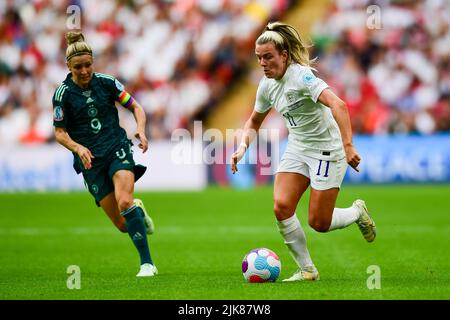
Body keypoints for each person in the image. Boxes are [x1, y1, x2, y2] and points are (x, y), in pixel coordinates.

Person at [231, 22, 376, 281]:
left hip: (326, 149)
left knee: (319, 222)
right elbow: (254, 121)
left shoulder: (302, 76)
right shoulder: (266, 86)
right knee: (281, 206)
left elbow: (339, 105)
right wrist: (242, 148)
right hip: (297, 146)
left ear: (284, 55)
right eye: (259, 58)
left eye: (268, 57)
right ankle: (307, 269)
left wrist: (348, 145)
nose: (263, 63)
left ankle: (356, 211)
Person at [53, 32, 157, 277]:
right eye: (78, 67)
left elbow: (135, 106)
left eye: (88, 64)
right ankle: (138, 211)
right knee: (123, 225)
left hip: (116, 147)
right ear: (68, 66)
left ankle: (147, 264)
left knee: (124, 201)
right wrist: (78, 147)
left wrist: (140, 129)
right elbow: (59, 132)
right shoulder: (62, 94)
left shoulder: (107, 83)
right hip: (91, 161)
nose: (85, 70)